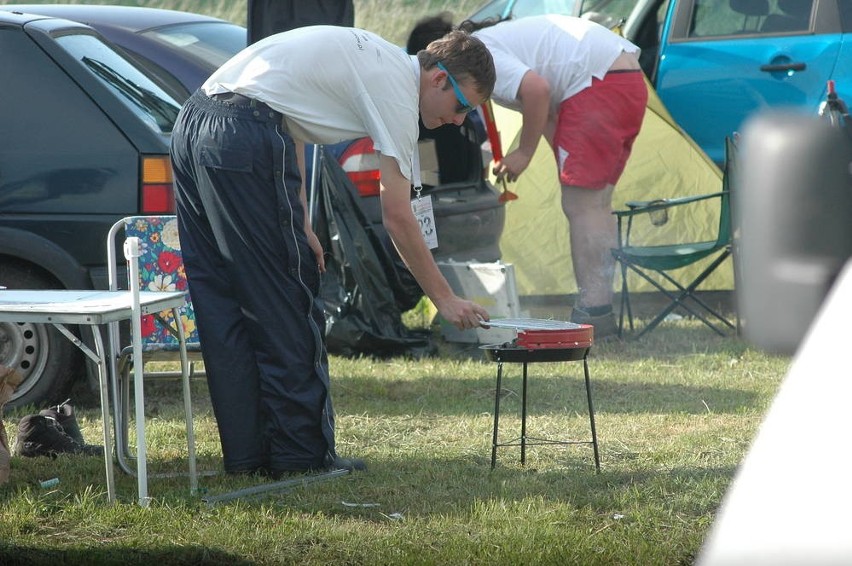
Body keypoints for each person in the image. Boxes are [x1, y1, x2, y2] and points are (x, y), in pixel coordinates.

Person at [169, 25, 495, 477]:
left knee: (224, 301)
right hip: (245, 133)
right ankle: (301, 457)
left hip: (194, 123)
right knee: (286, 296)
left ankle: (248, 456)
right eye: (462, 106)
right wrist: (444, 298)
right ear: (439, 78)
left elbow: (292, 118)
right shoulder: (400, 93)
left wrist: (299, 218)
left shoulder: (379, 59)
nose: (459, 121)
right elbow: (398, 216)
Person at [448, 14, 648, 337]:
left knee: (583, 207)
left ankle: (594, 313)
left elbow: (537, 91)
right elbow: (550, 113)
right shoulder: (509, 41)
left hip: (598, 82)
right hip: (624, 80)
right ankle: (599, 310)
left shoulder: (479, 55)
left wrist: (524, 154)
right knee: (593, 204)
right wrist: (564, 166)